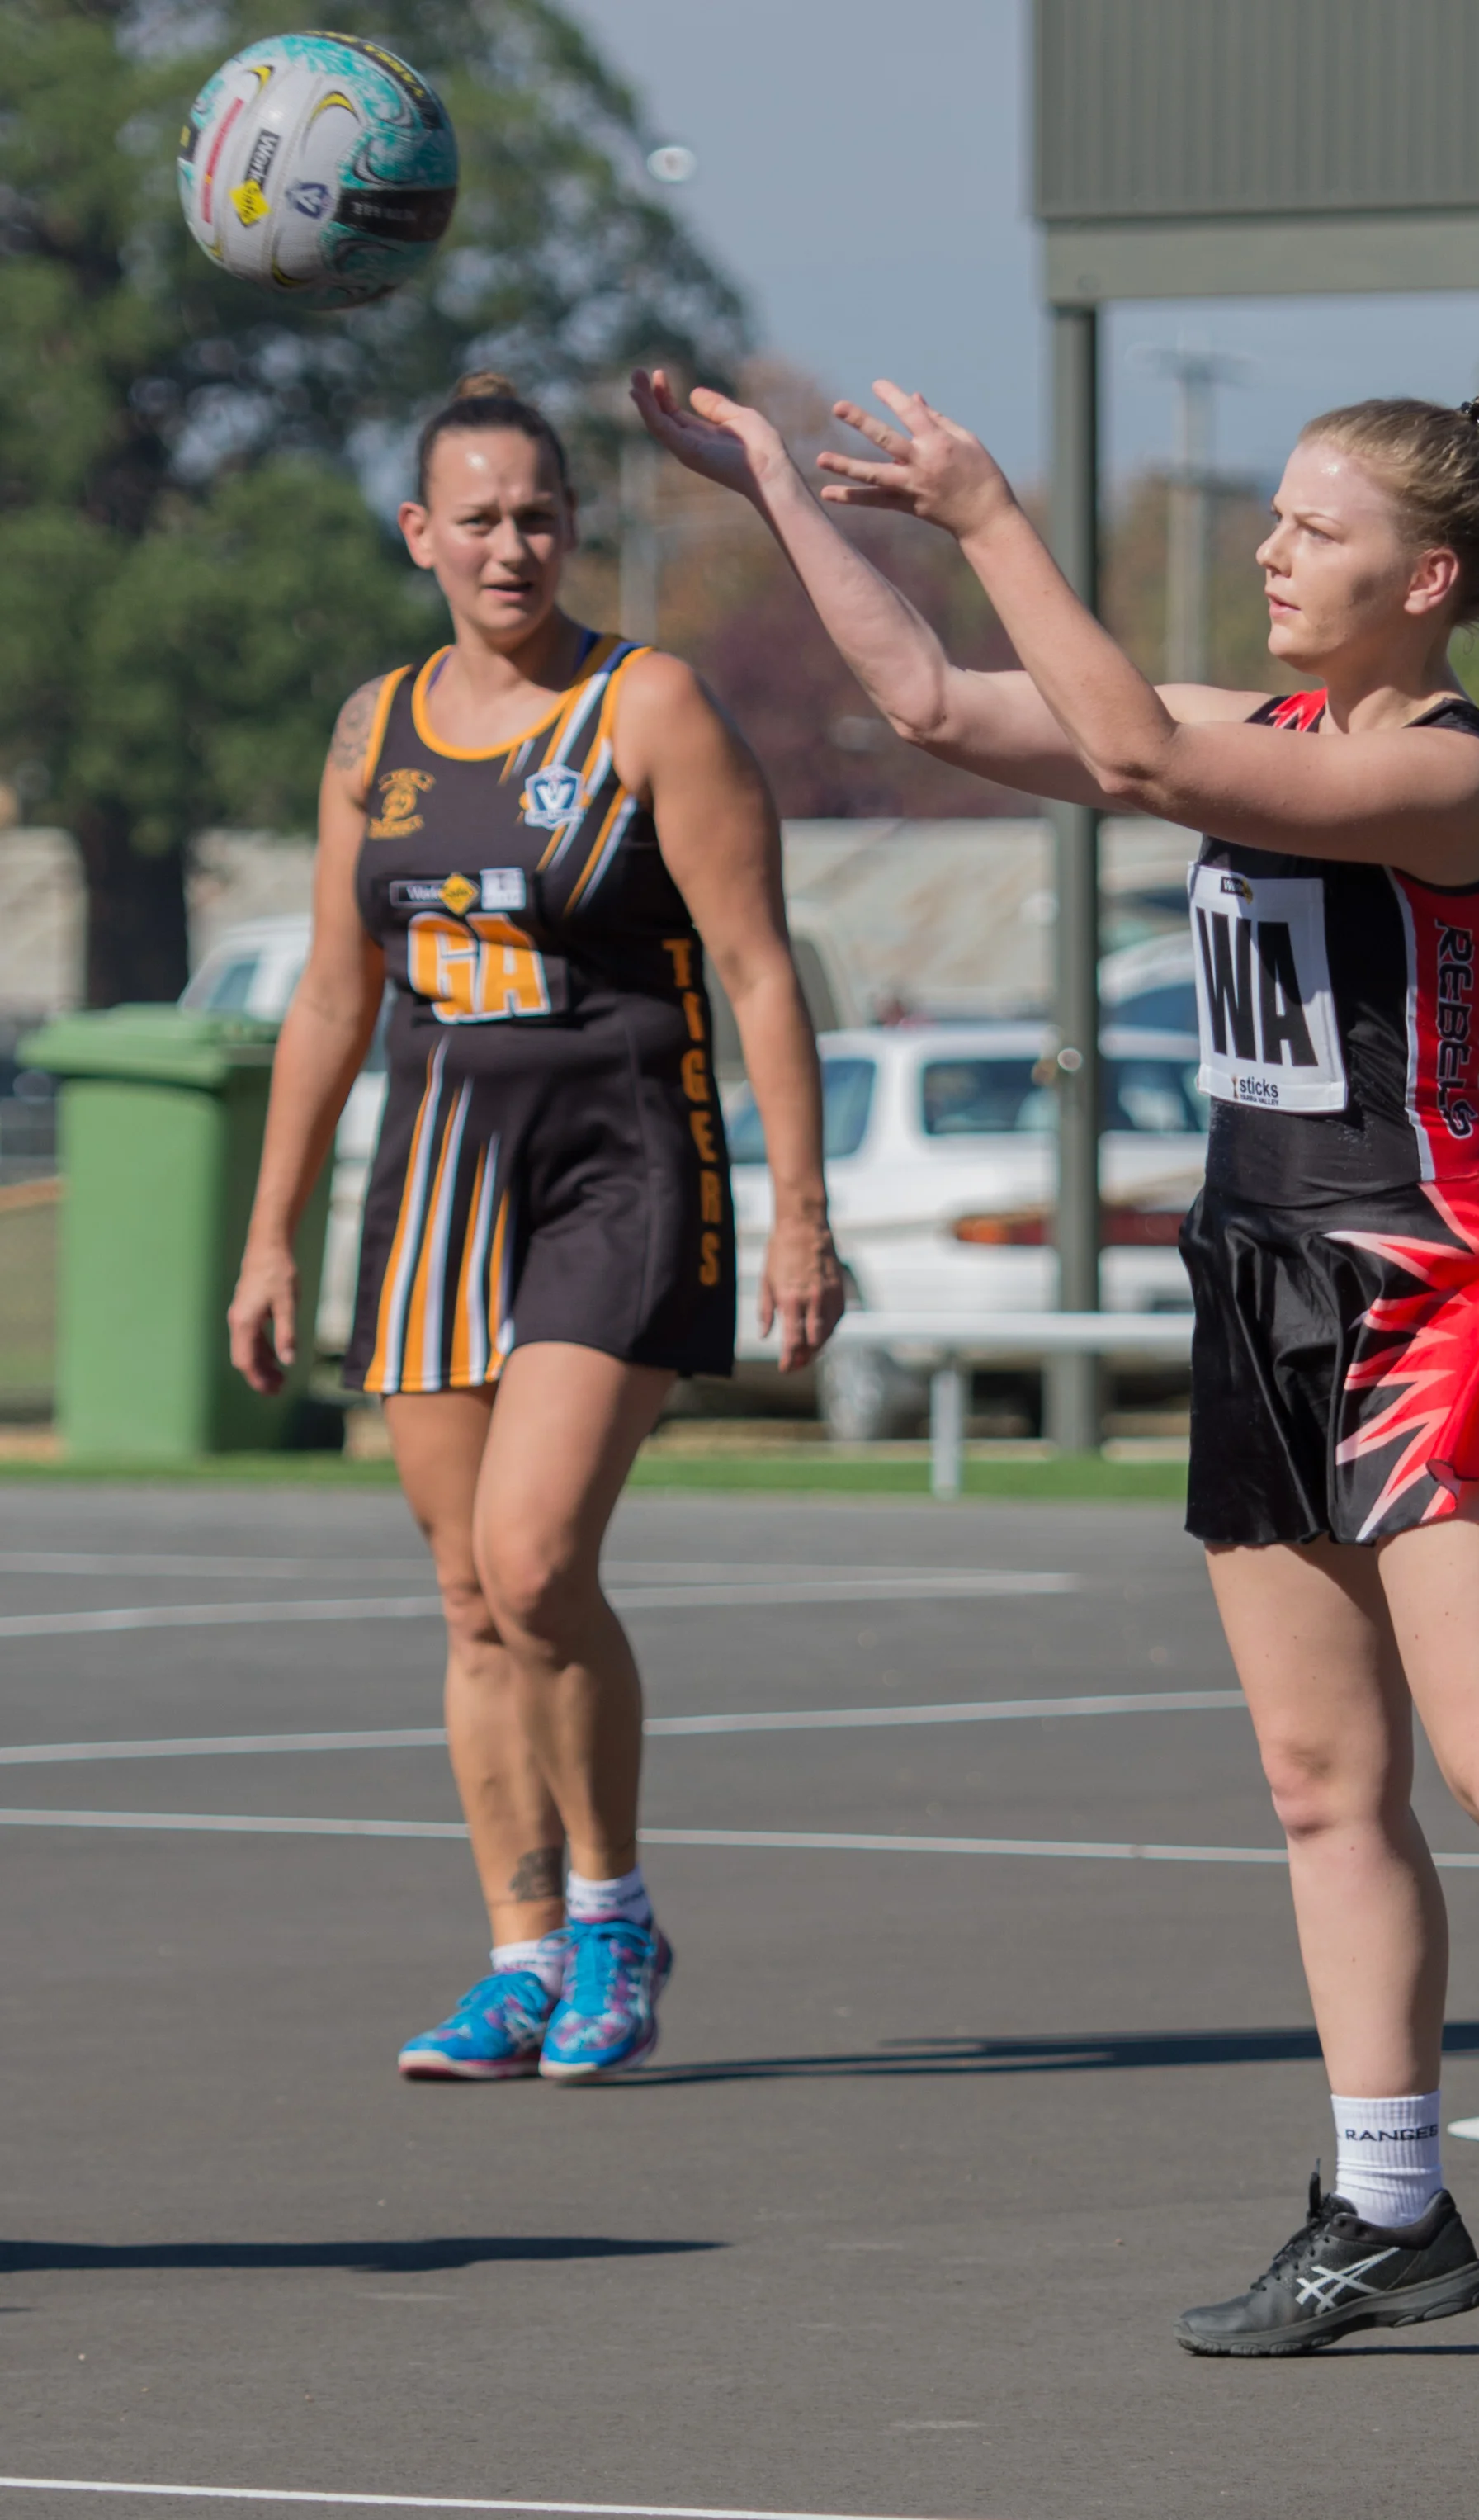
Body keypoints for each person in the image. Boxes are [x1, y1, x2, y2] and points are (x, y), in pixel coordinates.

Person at [628, 313, 1479, 2354]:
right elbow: (939, 706)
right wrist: (784, 490)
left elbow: (1129, 754)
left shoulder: (1445, 772)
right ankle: (1385, 2202)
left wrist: (992, 515)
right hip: (1256, 1281)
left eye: (1311, 531)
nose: (1268, 554)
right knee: (1322, 1782)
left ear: (1423, 579)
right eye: (1272, 521)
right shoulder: (1271, 728)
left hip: (1426, 1290)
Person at [228, 372, 843, 2082]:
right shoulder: (376, 730)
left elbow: (761, 966)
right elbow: (331, 1001)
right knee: (464, 1593)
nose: (513, 543)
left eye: (540, 514)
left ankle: (613, 1909)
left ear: (575, 528)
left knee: (535, 1558)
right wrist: (269, 1232)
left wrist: (802, 1209)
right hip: (438, 1167)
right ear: (418, 534)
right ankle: (514, 1956)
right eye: (478, 516)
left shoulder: (649, 707)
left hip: (621, 1158)